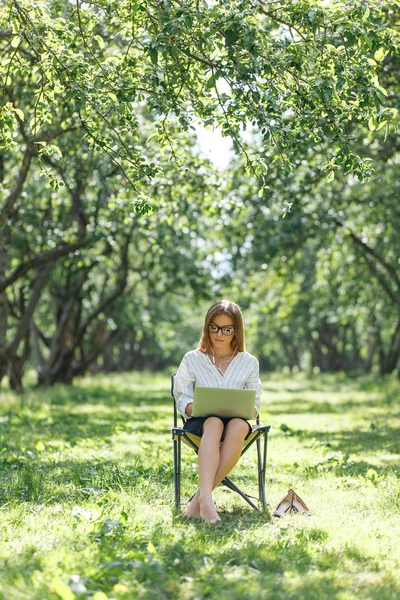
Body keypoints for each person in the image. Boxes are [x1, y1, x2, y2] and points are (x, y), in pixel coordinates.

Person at [173, 299, 262, 523]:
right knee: (214, 422)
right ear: (207, 327)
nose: (219, 334)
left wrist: (248, 410)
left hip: (236, 423)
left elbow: (255, 404)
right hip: (201, 423)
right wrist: (195, 407)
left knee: (239, 425)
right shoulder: (192, 359)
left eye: (226, 329)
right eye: (214, 327)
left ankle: (201, 499)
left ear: (236, 331)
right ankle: (206, 500)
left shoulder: (248, 362)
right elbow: (181, 395)